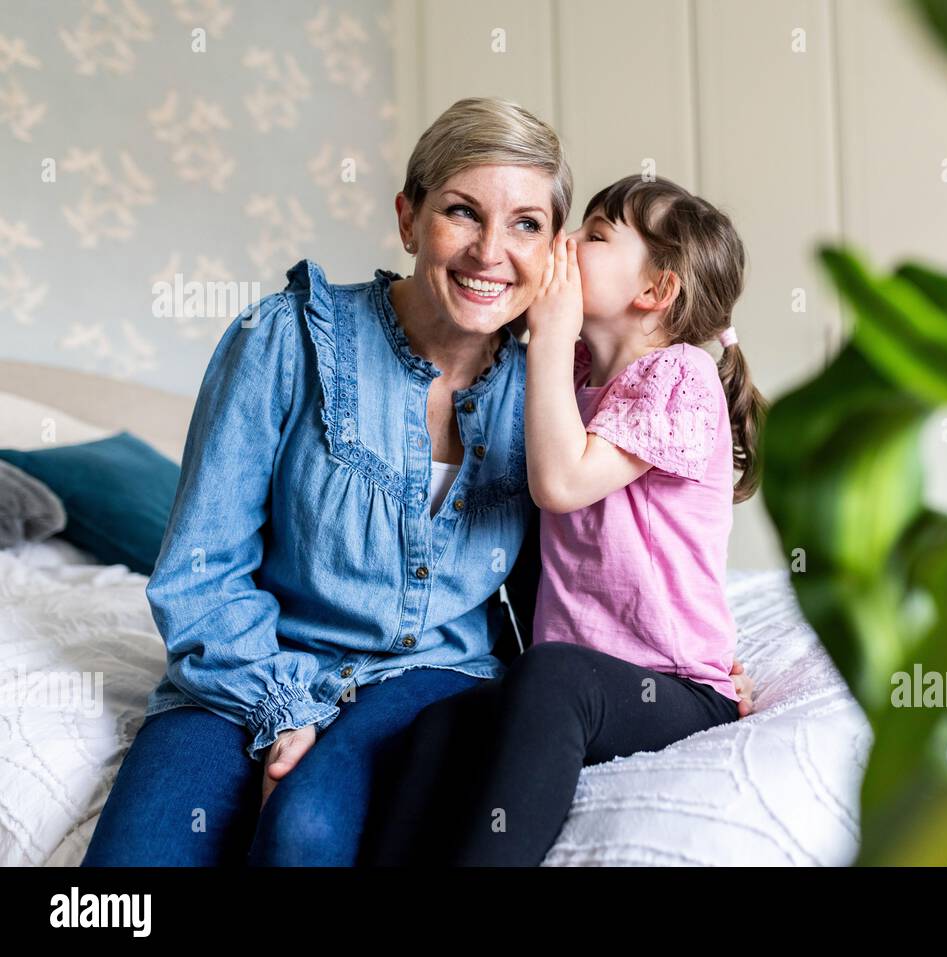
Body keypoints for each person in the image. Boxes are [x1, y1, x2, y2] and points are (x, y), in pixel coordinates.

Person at [81, 97, 756, 867]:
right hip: (248, 668)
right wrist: (282, 708)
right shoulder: (282, 340)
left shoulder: (550, 391)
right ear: (408, 219)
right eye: (463, 212)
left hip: (428, 676)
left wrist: (672, 668)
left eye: (529, 224)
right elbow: (200, 572)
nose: (491, 251)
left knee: (308, 835)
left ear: (552, 252)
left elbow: (571, 564)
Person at [372, 175, 764, 866]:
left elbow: (559, 483)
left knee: (552, 678)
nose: (566, 241)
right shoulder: (577, 370)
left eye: (597, 235)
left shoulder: (680, 376)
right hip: (577, 677)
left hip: (674, 685)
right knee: (435, 727)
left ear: (655, 292)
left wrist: (551, 331)